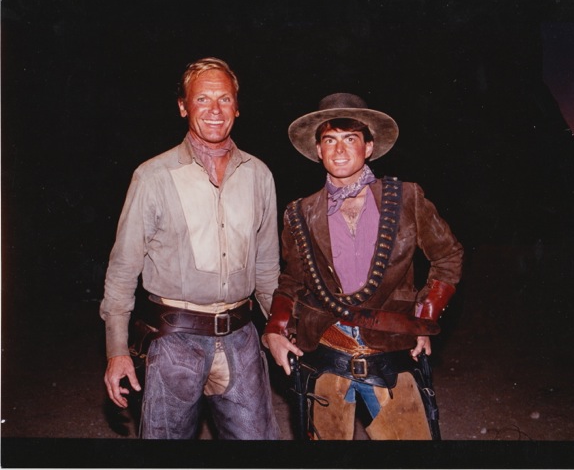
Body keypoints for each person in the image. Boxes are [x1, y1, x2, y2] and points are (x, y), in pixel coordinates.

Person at [262, 93, 463, 440]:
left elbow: (448, 256)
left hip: (391, 350)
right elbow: (291, 281)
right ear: (318, 150)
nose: (340, 150)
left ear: (369, 147)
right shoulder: (298, 213)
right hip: (325, 350)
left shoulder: (407, 197)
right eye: (330, 140)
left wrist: (425, 317)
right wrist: (275, 330)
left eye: (351, 139)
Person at [100, 57, 281, 440]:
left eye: (224, 99)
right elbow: (122, 269)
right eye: (202, 100)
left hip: (242, 338)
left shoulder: (259, 175)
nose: (215, 110)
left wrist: (279, 329)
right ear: (183, 106)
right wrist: (117, 351)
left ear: (237, 106)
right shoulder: (153, 176)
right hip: (173, 342)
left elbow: (267, 270)